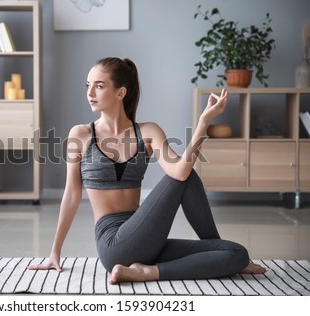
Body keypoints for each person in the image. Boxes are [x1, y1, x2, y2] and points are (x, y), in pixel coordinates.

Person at [28, 57, 266, 283]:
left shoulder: (148, 132)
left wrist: (203, 123)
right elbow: (71, 195)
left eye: (98, 86)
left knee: (237, 253)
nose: (90, 93)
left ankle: (149, 271)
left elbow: (181, 171)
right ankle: (155, 267)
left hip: (146, 237)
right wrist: (54, 251)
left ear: (120, 92)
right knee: (184, 175)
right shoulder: (80, 135)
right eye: (88, 85)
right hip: (113, 244)